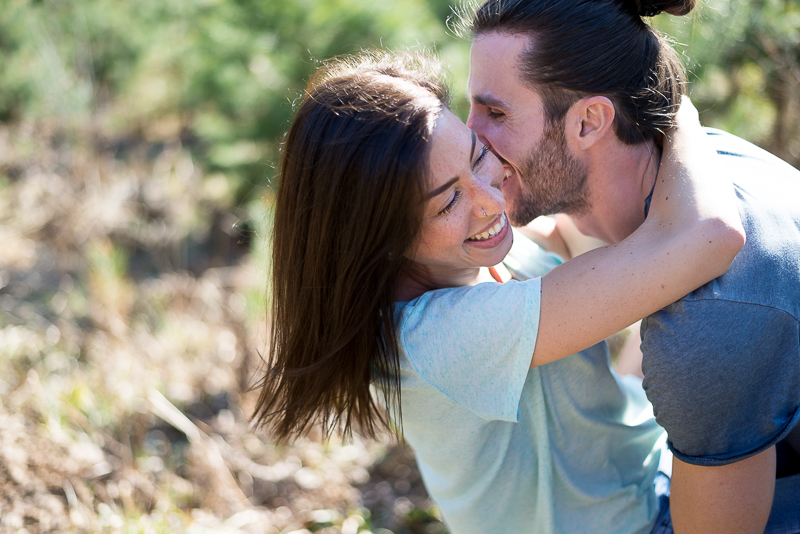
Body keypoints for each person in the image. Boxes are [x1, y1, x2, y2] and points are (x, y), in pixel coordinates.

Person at [253, 50, 744, 533]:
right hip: (638, 520)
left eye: (478, 155)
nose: (491, 200)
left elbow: (574, 235)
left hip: (638, 461)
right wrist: (675, 109)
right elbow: (712, 234)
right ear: (378, 236)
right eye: (448, 202)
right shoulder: (439, 338)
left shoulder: (466, 256)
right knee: (733, 366)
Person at [463, 0, 800, 532]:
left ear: (590, 120)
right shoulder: (694, 160)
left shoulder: (705, 324)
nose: (468, 138)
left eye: (496, 114)